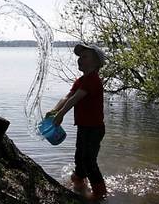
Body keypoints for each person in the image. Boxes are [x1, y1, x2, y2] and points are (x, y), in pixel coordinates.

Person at [47, 43, 107, 201]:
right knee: (80, 155)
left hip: (94, 129)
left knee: (89, 159)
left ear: (96, 63)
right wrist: (54, 111)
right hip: (83, 127)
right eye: (79, 56)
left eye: (85, 56)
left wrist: (60, 114)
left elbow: (75, 98)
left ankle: (99, 192)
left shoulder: (93, 79)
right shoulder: (80, 80)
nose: (80, 59)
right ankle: (79, 180)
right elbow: (67, 97)